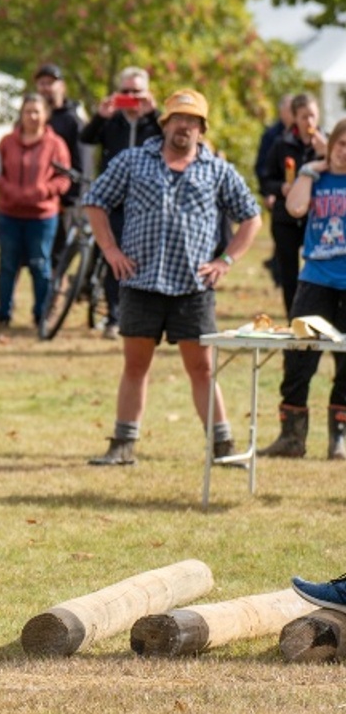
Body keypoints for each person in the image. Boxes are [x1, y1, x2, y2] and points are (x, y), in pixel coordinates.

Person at [82, 89, 262, 466]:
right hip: (140, 281)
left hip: (193, 287)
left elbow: (252, 216)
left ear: (201, 129)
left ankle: (222, 447)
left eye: (192, 121)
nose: (184, 126)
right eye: (178, 118)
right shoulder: (133, 161)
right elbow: (95, 201)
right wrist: (111, 250)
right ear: (164, 123)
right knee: (135, 366)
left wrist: (226, 260)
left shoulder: (217, 170)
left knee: (203, 368)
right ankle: (123, 444)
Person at [257, 118, 346, 459]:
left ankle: (338, 438)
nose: (343, 153)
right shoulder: (316, 177)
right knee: (298, 356)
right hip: (316, 279)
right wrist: (308, 170)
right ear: (330, 143)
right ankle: (291, 438)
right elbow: (295, 207)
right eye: (340, 144)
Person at [81, 66, 162, 339]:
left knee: (146, 260)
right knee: (114, 258)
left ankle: (145, 316)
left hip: (147, 204)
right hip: (114, 202)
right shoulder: (112, 121)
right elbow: (86, 138)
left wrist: (155, 114)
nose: (130, 97)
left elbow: (173, 142)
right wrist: (100, 116)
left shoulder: (156, 124)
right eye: (125, 92)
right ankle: (114, 318)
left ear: (147, 93)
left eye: (136, 92)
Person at [0, 95, 71, 329]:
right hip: (10, 214)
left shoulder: (55, 145)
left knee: (40, 264)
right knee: (7, 264)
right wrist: (9, 189)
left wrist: (43, 190)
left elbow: (64, 177)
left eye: (37, 111)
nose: (32, 116)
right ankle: (3, 313)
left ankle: (41, 313)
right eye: (28, 111)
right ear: (21, 114)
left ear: (45, 115)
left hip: (42, 216)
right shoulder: (7, 142)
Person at [260, 93, 327, 317]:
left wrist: (324, 154)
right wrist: (281, 189)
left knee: (316, 272)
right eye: (304, 116)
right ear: (294, 118)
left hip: (316, 219)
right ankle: (294, 319)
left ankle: (319, 317)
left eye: (313, 116)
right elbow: (266, 179)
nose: (309, 122)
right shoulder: (282, 144)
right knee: (289, 275)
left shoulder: (327, 144)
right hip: (285, 219)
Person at [34, 64, 88, 263]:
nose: (46, 87)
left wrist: (72, 199)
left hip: (63, 200)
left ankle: (57, 293)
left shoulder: (73, 119)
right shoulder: (32, 116)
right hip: (35, 199)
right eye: (42, 83)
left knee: (59, 257)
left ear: (62, 86)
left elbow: (82, 161)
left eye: (50, 83)